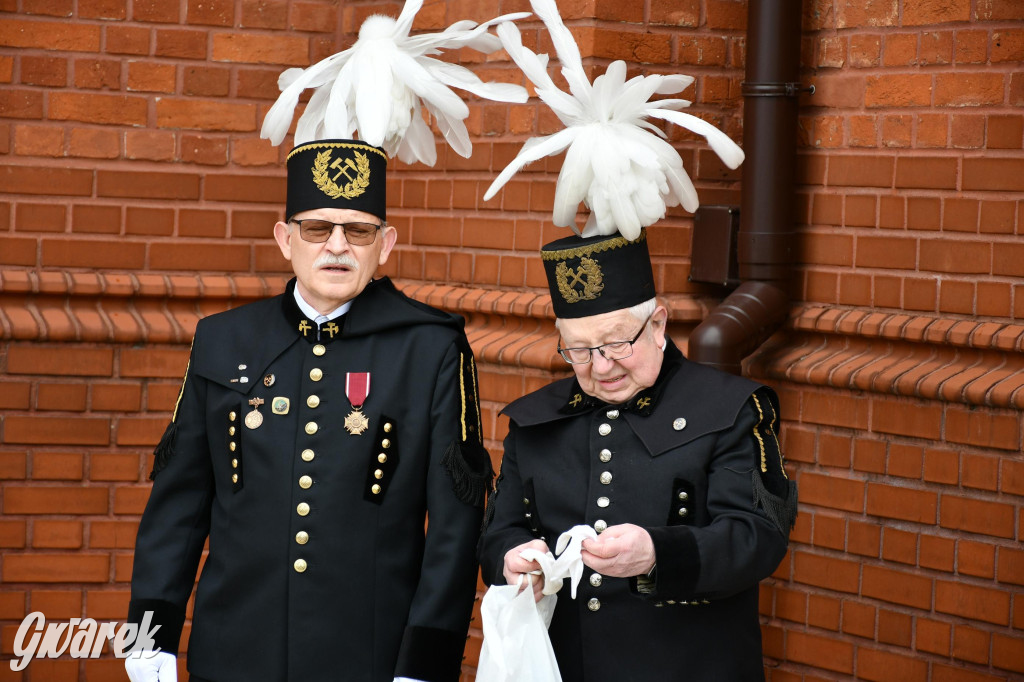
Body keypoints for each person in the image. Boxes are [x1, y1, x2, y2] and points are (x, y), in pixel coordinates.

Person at [124, 138, 492, 682]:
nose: (337, 246)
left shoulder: (430, 349)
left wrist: (425, 663)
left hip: (369, 655)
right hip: (233, 651)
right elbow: (179, 505)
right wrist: (149, 637)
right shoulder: (224, 340)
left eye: (358, 230)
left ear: (385, 244)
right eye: (317, 229)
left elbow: (454, 529)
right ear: (285, 239)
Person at [477, 229, 798, 681]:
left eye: (615, 344)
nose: (602, 366)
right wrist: (512, 557)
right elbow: (498, 530)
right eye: (581, 351)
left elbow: (758, 537)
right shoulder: (535, 421)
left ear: (659, 325)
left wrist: (656, 554)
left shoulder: (730, 409)